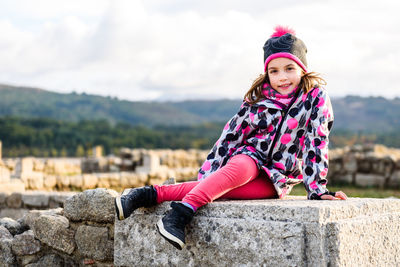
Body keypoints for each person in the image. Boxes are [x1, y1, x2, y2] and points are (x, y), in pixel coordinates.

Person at [115, 25, 348, 250]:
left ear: (302, 69)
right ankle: (179, 215)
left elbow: (316, 142)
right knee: (237, 171)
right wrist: (210, 172)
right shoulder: (258, 99)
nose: (282, 78)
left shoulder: (315, 98)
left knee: (219, 190)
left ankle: (145, 195)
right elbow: (230, 136)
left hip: (278, 177)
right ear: (266, 73)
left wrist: (317, 189)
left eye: (289, 68)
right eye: (274, 71)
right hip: (249, 156)